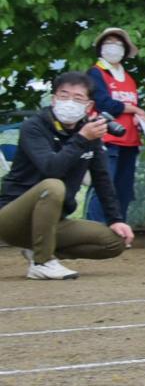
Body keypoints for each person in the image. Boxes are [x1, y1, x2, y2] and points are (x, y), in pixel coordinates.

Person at [0, 72, 134, 279]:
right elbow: (51, 168)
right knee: (53, 185)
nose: (69, 102)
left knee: (114, 242)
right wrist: (82, 138)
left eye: (78, 98)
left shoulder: (89, 132)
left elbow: (102, 178)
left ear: (89, 106)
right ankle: (42, 262)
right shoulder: (34, 127)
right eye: (64, 96)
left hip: (53, 222)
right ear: (54, 99)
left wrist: (115, 219)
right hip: (11, 218)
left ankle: (39, 248)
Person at [84, 26, 144, 224]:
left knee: (123, 189)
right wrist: (133, 109)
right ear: (101, 47)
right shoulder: (95, 73)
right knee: (103, 185)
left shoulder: (129, 79)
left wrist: (137, 114)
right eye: (109, 43)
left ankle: (118, 229)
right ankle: (94, 228)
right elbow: (104, 104)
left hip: (129, 140)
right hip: (106, 137)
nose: (114, 48)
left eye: (118, 44)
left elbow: (132, 105)